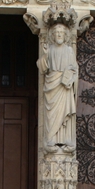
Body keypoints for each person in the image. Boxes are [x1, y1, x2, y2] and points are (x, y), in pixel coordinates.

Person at [36, 24, 78, 152]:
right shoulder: (49, 49)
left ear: (66, 36)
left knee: (65, 113)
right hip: (52, 85)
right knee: (51, 114)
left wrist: (70, 79)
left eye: (61, 32)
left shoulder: (69, 50)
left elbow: (75, 69)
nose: (59, 35)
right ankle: (51, 140)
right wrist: (45, 55)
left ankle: (66, 140)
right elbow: (42, 68)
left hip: (64, 87)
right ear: (52, 35)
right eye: (56, 33)